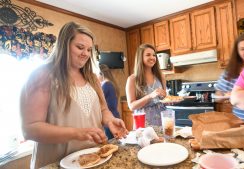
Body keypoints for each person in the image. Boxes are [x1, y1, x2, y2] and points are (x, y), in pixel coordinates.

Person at [20, 22, 128, 168]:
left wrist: (110, 121)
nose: (86, 54)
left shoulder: (92, 78)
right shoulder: (42, 75)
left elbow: (103, 110)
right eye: (80, 47)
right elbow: (30, 129)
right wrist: (77, 133)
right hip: (55, 162)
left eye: (89, 50)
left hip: (94, 159)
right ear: (64, 45)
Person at [215, 32, 244, 121]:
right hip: (241, 121)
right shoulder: (231, 71)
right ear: (237, 52)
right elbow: (218, 97)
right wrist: (228, 95)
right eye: (242, 49)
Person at [126, 43, 166, 126]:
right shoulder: (132, 79)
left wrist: (165, 96)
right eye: (148, 55)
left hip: (162, 120)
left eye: (154, 55)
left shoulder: (161, 76)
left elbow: (164, 98)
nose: (152, 57)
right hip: (143, 121)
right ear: (140, 58)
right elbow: (131, 106)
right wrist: (150, 96)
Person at [98, 64, 121, 139]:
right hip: (115, 115)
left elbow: (98, 102)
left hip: (109, 118)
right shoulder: (111, 83)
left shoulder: (106, 85)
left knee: (112, 141)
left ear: (101, 74)